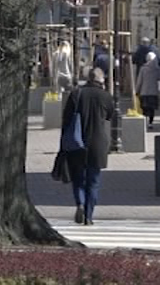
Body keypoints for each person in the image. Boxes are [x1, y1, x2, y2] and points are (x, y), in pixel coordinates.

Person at [61, 67, 115, 226]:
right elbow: (110, 116)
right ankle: (89, 215)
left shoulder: (76, 94)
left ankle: (79, 203)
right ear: (102, 80)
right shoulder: (105, 96)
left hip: (77, 142)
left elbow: (66, 119)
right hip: (97, 143)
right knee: (93, 181)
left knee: (78, 178)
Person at [135, 44, 160, 130]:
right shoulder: (156, 69)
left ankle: (145, 122)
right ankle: (150, 123)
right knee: (152, 109)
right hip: (153, 92)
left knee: (144, 108)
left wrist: (137, 90)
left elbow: (140, 81)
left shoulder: (143, 69)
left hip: (144, 92)